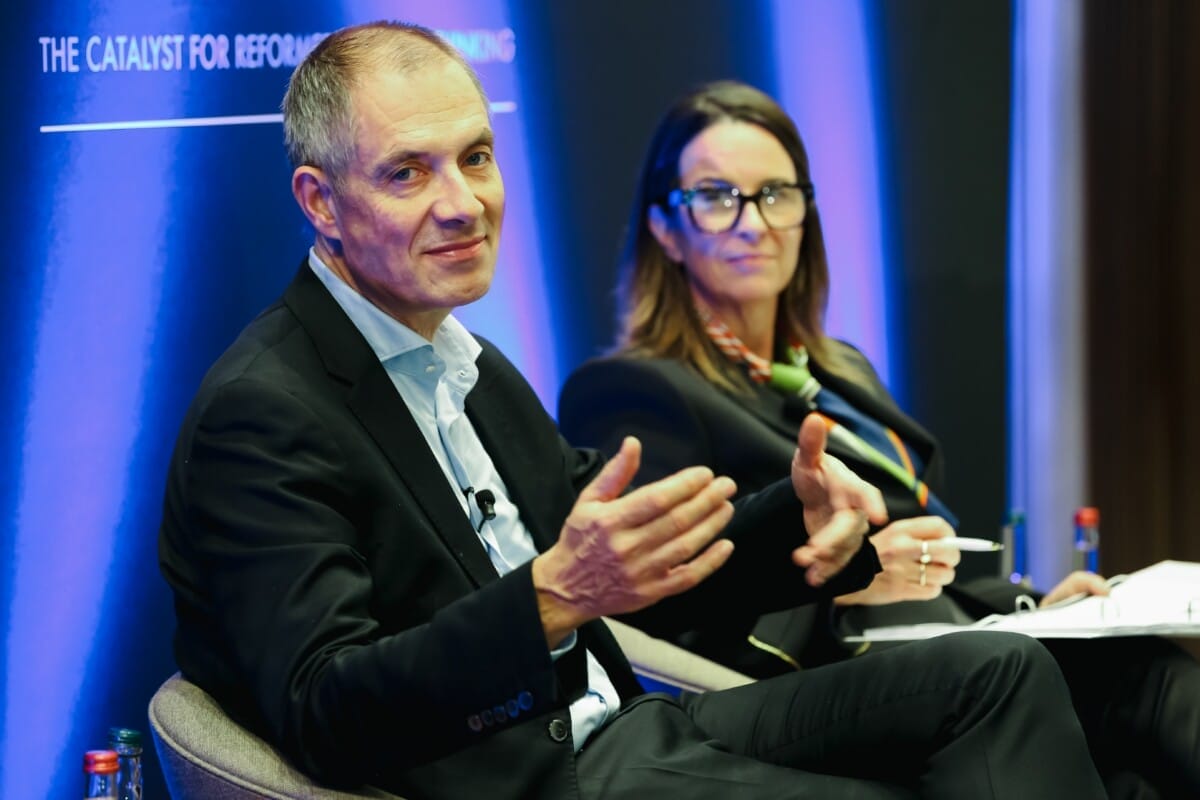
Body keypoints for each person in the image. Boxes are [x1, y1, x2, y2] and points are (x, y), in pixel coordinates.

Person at [158, 24, 1109, 800]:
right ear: (321, 202)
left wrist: (803, 520)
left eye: (476, 158)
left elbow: (639, 558)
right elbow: (325, 708)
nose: (464, 204)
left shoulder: (468, 364)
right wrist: (550, 599)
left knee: (999, 675)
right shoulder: (264, 412)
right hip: (522, 776)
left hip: (633, 725)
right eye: (408, 173)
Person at [558, 79, 1200, 799]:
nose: (753, 223)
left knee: (1135, 763)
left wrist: (1039, 608)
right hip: (836, 683)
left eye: (775, 194)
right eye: (715, 197)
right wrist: (846, 581)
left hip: (954, 639)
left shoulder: (839, 370)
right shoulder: (633, 389)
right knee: (1145, 680)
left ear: (805, 213)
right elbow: (661, 605)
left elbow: (919, 550)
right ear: (665, 228)